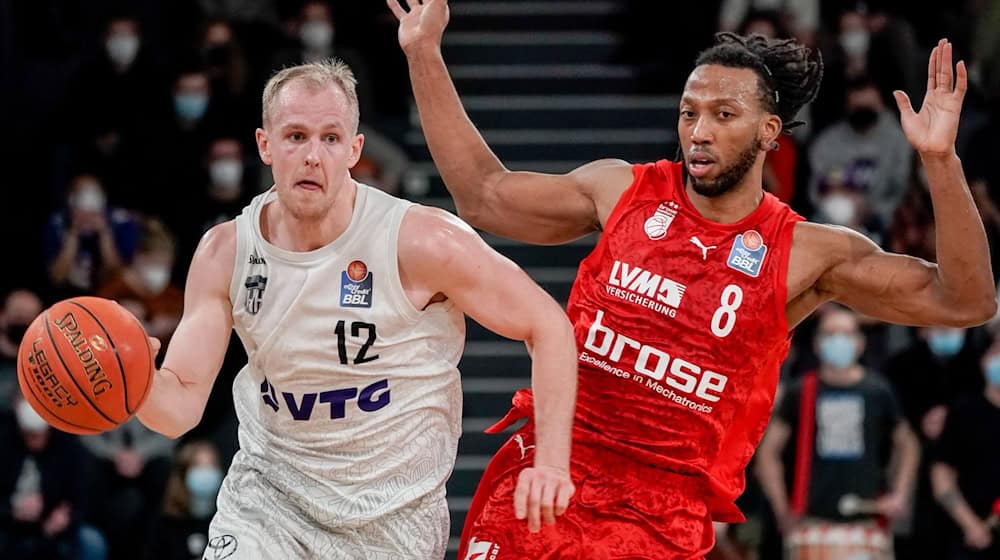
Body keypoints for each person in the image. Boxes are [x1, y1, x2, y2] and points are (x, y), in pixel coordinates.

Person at [390, 1, 996, 556]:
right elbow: (485, 197)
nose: (698, 130)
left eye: (723, 114)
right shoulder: (621, 189)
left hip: (659, 513)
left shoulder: (808, 253)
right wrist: (423, 53)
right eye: (689, 112)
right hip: (547, 473)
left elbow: (964, 300)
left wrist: (941, 163)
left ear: (768, 132)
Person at [135, 58, 577, 559]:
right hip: (269, 502)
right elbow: (178, 410)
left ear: (354, 149)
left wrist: (554, 464)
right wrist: (135, 381)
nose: (312, 156)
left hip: (392, 518)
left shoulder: (421, 240)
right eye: (296, 136)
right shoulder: (225, 252)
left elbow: (548, 325)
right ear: (265, 145)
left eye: (330, 138)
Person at [755, 306, 919, 556]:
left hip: (867, 521)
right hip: (811, 520)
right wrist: (781, 507)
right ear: (818, 344)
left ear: (860, 343)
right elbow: (768, 454)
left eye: (846, 334)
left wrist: (900, 494)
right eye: (830, 334)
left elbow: (907, 444)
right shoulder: (802, 391)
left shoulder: (878, 391)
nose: (839, 341)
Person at [930, 334, 1000, 559]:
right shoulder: (963, 411)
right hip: (970, 540)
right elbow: (942, 476)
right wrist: (971, 525)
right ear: (984, 359)